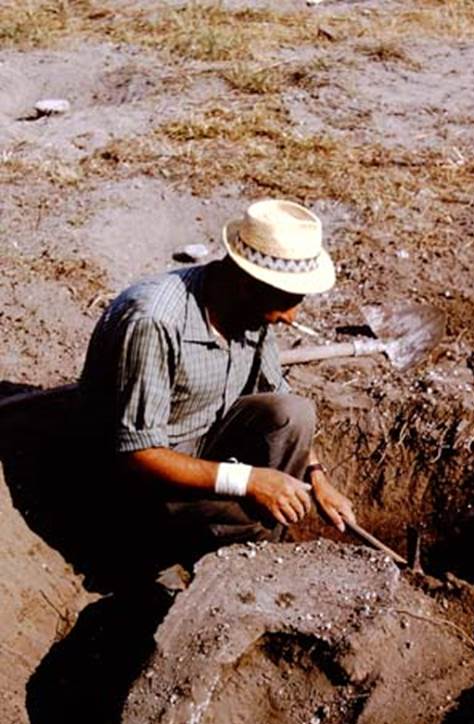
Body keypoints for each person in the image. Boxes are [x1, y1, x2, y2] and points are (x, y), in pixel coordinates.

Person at [79, 198, 356, 576]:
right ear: (248, 282)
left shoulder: (251, 310)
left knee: (295, 414)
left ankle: (243, 539)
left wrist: (318, 477)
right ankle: (210, 565)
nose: (291, 318)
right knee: (255, 517)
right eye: (286, 302)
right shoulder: (156, 321)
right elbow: (136, 454)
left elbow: (278, 392)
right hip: (139, 482)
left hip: (203, 449)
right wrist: (250, 481)